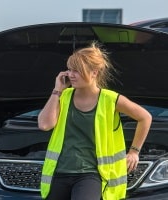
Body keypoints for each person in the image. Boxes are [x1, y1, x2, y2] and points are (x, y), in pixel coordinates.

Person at [38, 42, 152, 200]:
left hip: (90, 175)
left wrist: (134, 151)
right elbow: (45, 125)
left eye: (76, 71)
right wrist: (57, 90)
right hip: (60, 172)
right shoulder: (63, 96)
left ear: (94, 72)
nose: (70, 75)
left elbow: (145, 117)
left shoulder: (111, 99)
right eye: (69, 69)